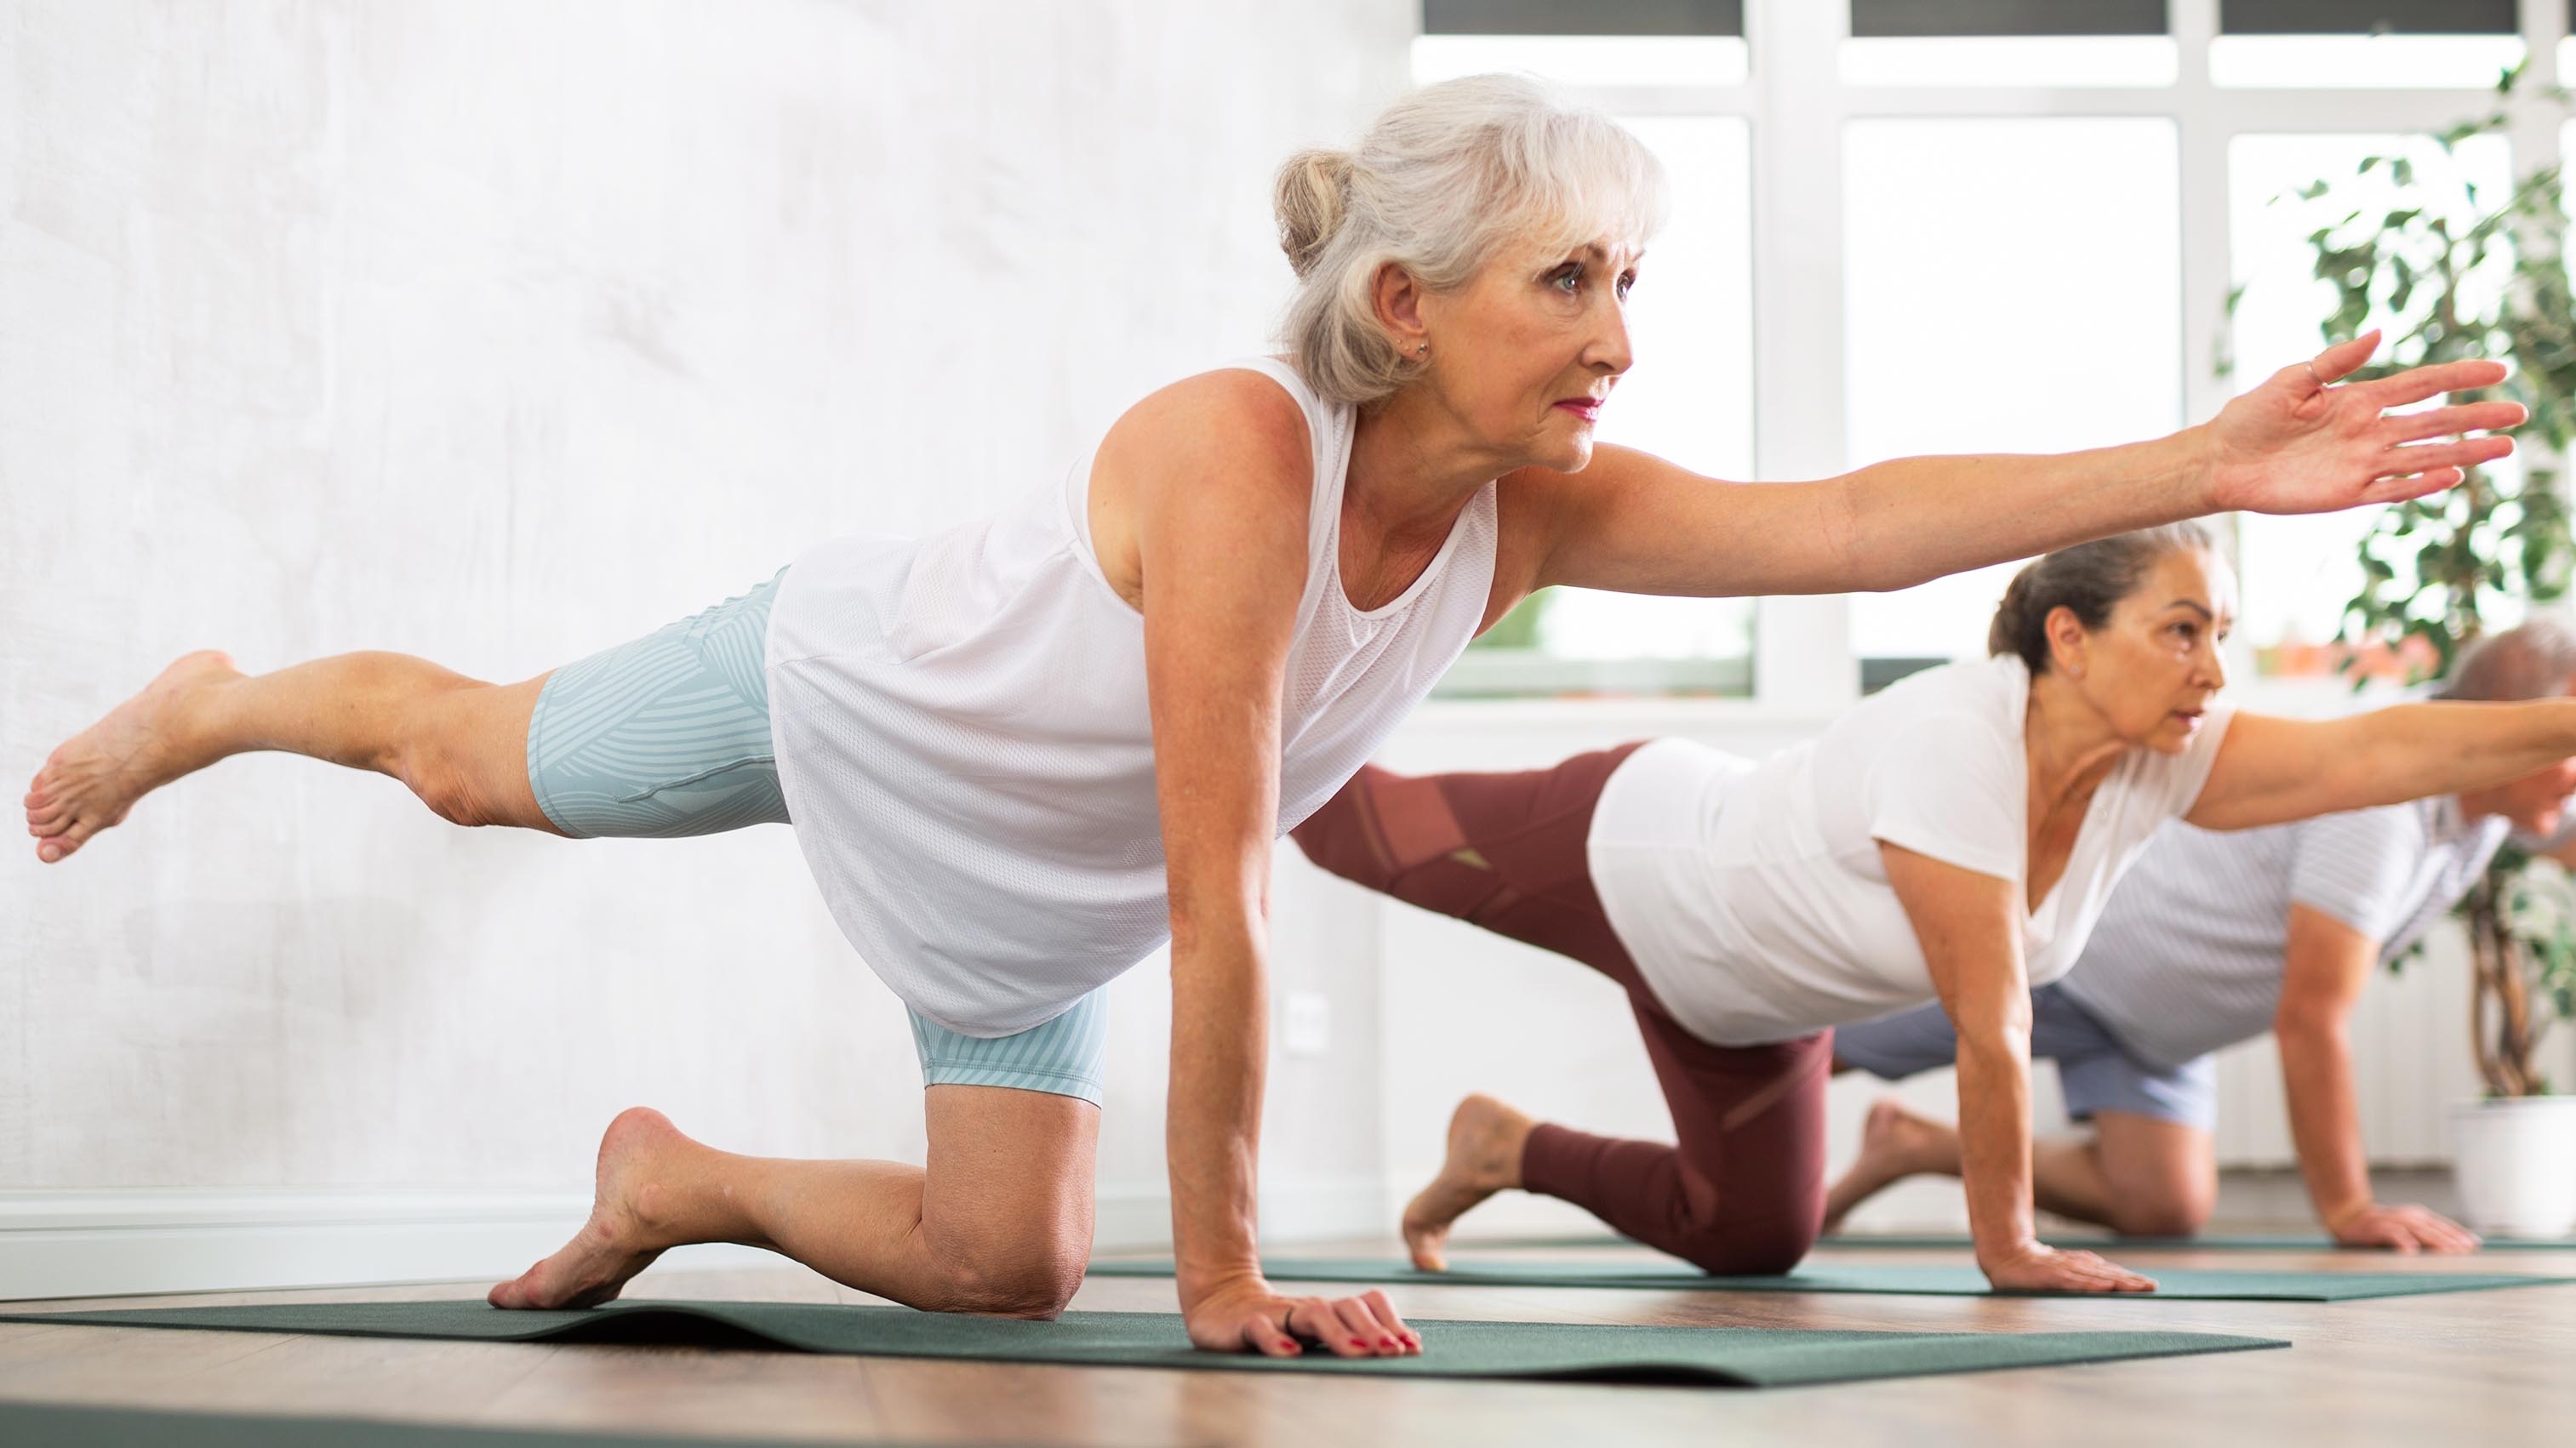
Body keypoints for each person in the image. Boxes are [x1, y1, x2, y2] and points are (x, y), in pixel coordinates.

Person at [22, 75, 2522, 1348]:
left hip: (1051, 871)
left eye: (1631, 279)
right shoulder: (1241, 452)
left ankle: (671, 1176)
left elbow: (1861, 519)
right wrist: (1220, 1273)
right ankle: (224, 698)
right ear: (1412, 301)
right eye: (1572, 280)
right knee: (474, 765)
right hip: (871, 695)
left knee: (1005, 1272)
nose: (1622, 335)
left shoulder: (1547, 504)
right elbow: (1224, 868)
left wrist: (2201, 455)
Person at [1293, 526, 2576, 1294]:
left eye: (2220, 632)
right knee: (1334, 819)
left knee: (1747, 1237)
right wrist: (2004, 1242)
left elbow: (2381, 748)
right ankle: (1199, 695)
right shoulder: (1959, 735)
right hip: (1626, 851)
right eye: (2180, 631)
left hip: (1743, 1005)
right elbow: (1989, 1016)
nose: (2213, 668)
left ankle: (1502, 1148)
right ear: (2068, 638)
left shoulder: (2162, 755)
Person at [1825, 620, 2576, 1253]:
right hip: (2073, 961)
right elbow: (2310, 1020)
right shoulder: (2381, 805)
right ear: (2507, 730)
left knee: (2164, 1206)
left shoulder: (2493, 796)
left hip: (2160, 1028)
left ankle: (1912, 1145)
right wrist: (2349, 1211)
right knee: (1811, 1040)